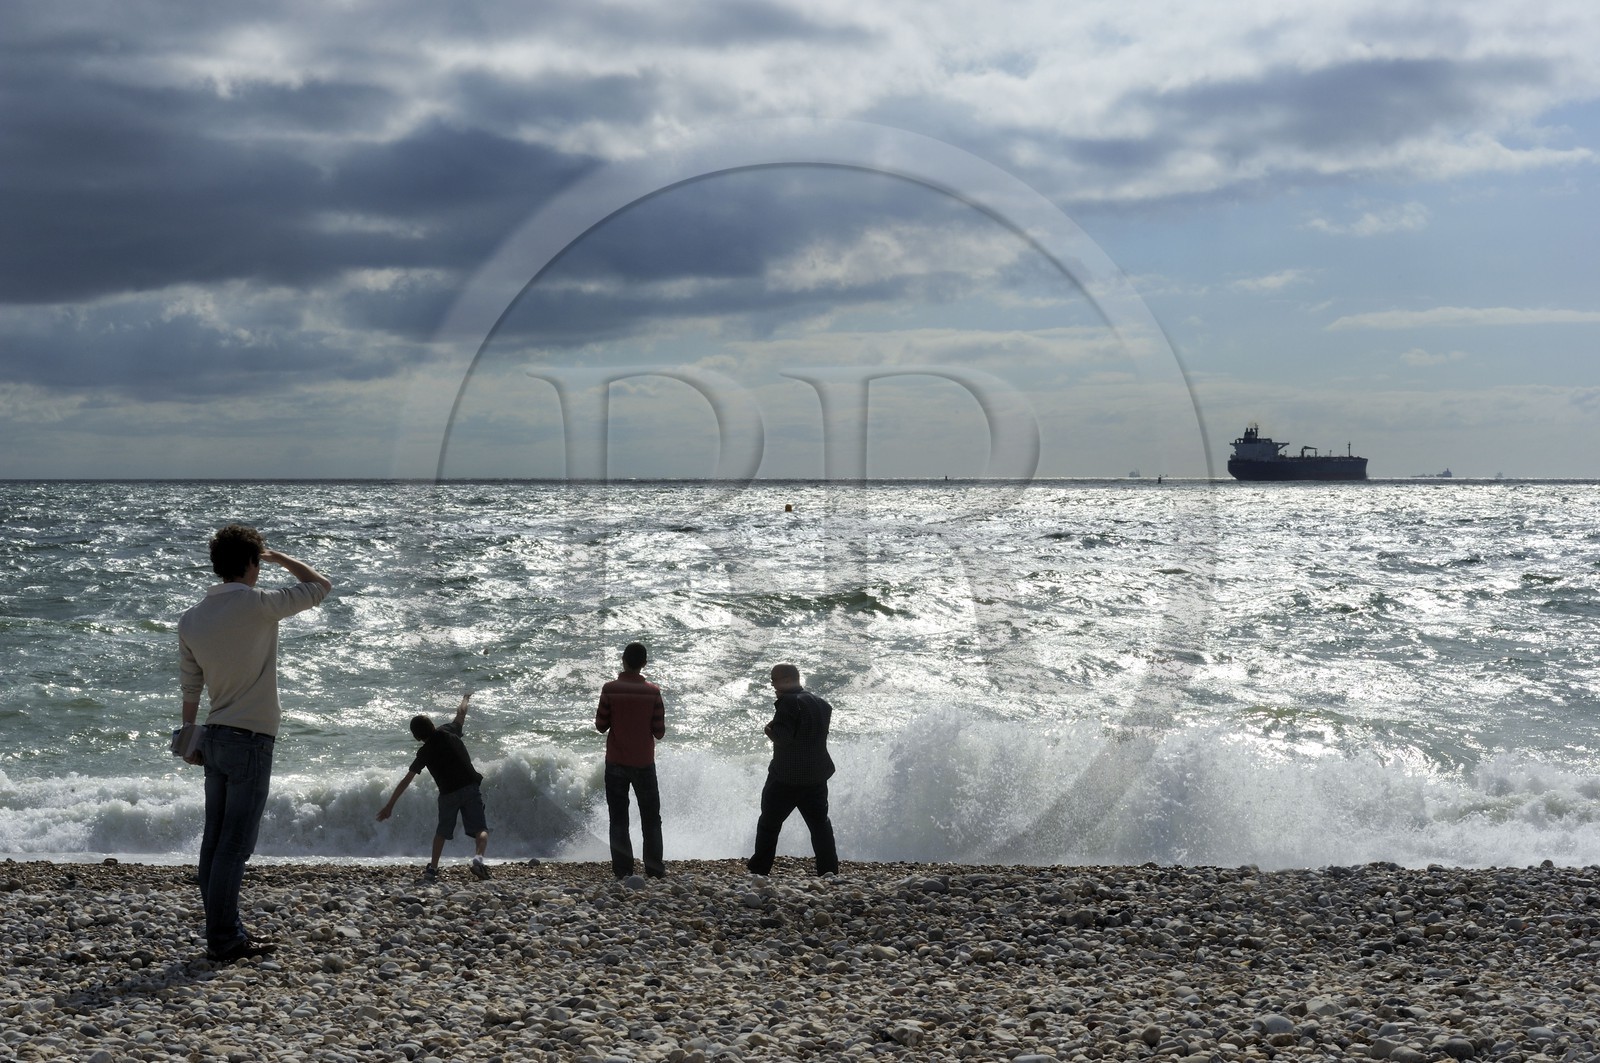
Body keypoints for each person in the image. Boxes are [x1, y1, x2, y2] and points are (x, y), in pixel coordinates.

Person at [178, 524, 331, 963]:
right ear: (251, 562)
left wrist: (190, 739)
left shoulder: (191, 618)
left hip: (216, 735)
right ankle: (224, 939)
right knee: (235, 845)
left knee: (215, 840)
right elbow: (320, 586)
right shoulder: (260, 605)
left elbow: (191, 688)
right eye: (258, 561)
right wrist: (279, 557)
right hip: (251, 739)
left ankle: (224, 931)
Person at [376, 691, 491, 883]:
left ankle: (433, 869)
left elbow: (407, 779)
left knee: (441, 833)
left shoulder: (424, 752)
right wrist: (466, 698)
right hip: (470, 787)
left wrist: (390, 805)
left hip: (448, 795)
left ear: (416, 737)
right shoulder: (448, 730)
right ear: (432, 725)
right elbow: (461, 713)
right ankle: (478, 859)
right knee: (481, 829)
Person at [746, 663, 839, 877]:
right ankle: (829, 870)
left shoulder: (788, 702)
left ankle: (759, 868)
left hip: (786, 778)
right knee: (820, 826)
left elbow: (783, 737)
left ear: (788, 680)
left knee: (769, 824)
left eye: (775, 679)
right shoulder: (822, 704)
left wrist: (768, 729)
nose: (772, 684)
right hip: (816, 776)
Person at [595, 642, 667, 879]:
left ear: (623, 660)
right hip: (644, 762)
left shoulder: (610, 689)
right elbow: (659, 731)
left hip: (616, 760)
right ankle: (654, 869)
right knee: (651, 818)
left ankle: (623, 869)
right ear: (644, 663)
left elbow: (600, 725)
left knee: (618, 817)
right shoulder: (653, 691)